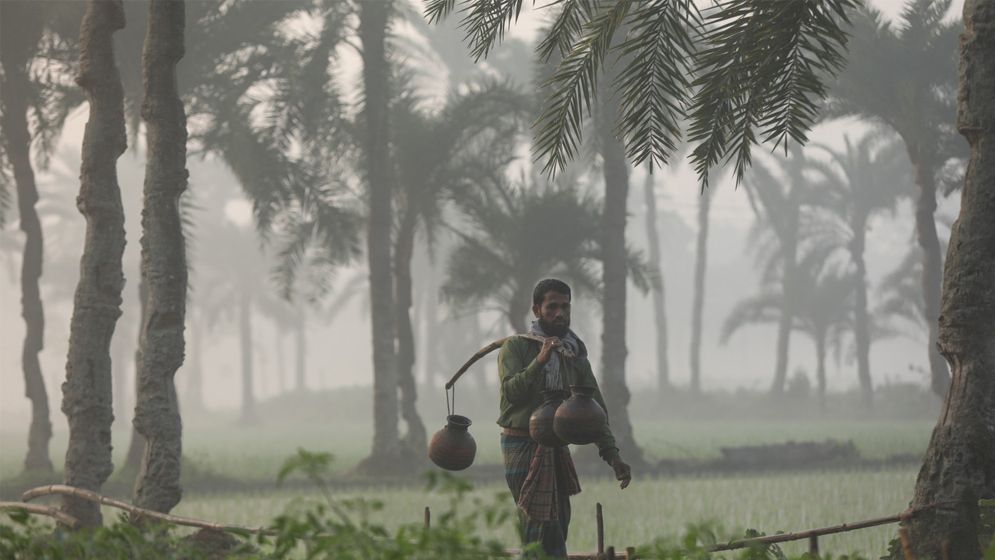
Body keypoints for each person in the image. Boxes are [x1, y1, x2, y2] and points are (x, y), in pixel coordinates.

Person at [497, 278, 632, 558]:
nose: (560, 313)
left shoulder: (575, 353)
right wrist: (540, 361)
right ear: (537, 310)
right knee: (540, 525)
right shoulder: (516, 347)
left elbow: (594, 409)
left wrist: (613, 455)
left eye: (565, 306)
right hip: (522, 445)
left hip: (557, 446)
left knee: (560, 521)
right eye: (552, 307)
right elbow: (512, 393)